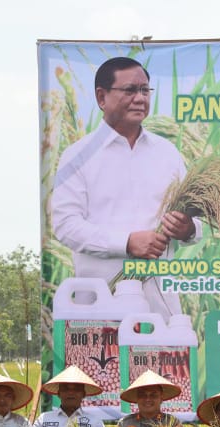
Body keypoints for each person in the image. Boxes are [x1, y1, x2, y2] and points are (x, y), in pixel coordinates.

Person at [49, 56, 202, 319]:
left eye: (145, 90)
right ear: (101, 97)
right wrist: (127, 243)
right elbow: (66, 225)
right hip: (99, 309)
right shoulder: (78, 155)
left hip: (161, 311)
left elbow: (197, 224)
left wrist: (188, 228)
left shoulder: (168, 153)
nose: (140, 98)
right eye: (130, 90)